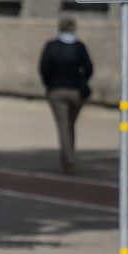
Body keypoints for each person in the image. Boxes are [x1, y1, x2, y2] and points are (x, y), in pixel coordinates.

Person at [39, 17, 93, 174]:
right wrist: (82, 81)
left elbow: (43, 67)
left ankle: (69, 160)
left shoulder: (52, 46)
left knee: (64, 126)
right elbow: (89, 68)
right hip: (76, 91)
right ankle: (68, 157)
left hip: (56, 91)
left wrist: (49, 84)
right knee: (70, 125)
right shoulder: (79, 47)